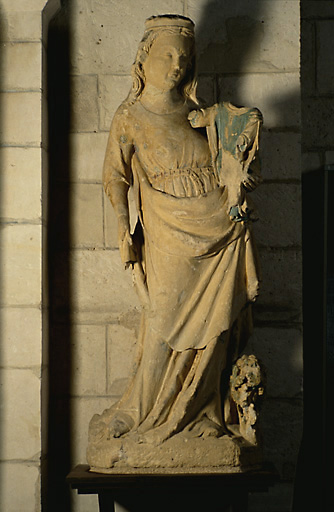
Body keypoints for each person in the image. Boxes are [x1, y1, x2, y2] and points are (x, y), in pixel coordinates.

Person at [88, 14, 262, 464]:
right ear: (144, 60)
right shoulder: (131, 116)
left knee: (215, 328)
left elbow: (232, 150)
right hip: (166, 227)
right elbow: (114, 176)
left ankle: (201, 412)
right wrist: (124, 226)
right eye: (166, 54)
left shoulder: (200, 114)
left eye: (183, 57)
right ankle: (144, 410)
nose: (176, 64)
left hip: (216, 228)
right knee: (163, 317)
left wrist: (236, 176)